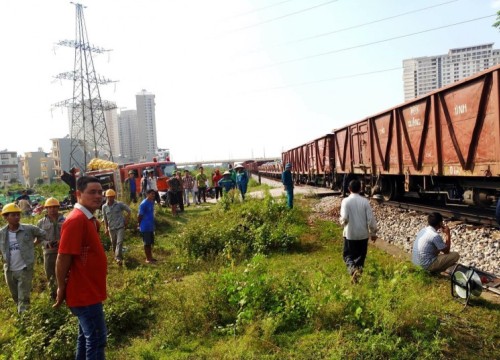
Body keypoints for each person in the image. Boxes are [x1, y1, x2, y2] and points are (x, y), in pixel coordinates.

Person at [53, 176, 108, 359]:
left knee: (86, 339)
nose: (98, 196)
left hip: (90, 291)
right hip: (84, 294)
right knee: (97, 339)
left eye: (100, 192)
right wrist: (61, 287)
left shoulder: (88, 219)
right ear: (78, 194)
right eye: (92, 192)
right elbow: (63, 257)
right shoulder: (76, 220)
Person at [0, 203, 46, 313]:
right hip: (9, 269)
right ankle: (22, 316)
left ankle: (24, 321)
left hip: (24, 268)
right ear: (6, 217)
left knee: (23, 298)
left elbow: (42, 234)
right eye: (13, 215)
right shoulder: (2, 233)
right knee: (15, 296)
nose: (17, 217)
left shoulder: (28, 229)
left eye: (18, 215)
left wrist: (33, 244)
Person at [339, 179, 378, 284]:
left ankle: (352, 270)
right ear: (360, 189)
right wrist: (373, 233)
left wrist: (342, 223)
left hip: (350, 234)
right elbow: (370, 219)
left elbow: (344, 218)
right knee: (361, 257)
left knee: (348, 256)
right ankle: (357, 276)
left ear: (349, 189)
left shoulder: (345, 201)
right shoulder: (365, 201)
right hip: (363, 235)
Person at [36, 197, 65, 299]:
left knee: (65, 273)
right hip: (48, 253)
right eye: (50, 207)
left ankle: (66, 294)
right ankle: (53, 295)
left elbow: (70, 235)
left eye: (54, 207)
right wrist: (46, 243)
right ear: (46, 208)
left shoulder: (65, 220)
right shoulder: (41, 223)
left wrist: (62, 241)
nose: (52, 209)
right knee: (50, 275)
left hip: (63, 252)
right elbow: (39, 238)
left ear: (58, 208)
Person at [102, 189, 131, 266]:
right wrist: (106, 228)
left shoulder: (119, 204)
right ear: (106, 197)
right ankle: (117, 257)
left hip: (120, 226)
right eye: (108, 197)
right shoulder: (104, 207)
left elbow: (129, 211)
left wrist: (126, 220)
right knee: (114, 243)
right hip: (111, 228)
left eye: (112, 197)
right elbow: (105, 218)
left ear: (114, 197)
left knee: (119, 242)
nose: (110, 198)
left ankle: (118, 258)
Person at [138, 189, 157, 263]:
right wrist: (139, 224)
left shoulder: (151, 202)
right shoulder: (143, 203)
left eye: (154, 194)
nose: (153, 195)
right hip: (145, 226)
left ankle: (150, 257)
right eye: (152, 194)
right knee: (147, 243)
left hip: (150, 226)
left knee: (150, 243)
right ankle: (147, 259)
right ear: (147, 194)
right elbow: (139, 215)